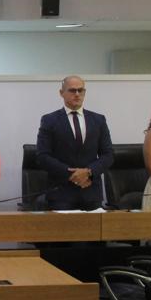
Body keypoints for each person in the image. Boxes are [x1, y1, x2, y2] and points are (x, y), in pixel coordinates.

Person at [35, 75, 114, 210]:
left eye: (80, 90)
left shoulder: (98, 120)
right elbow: (42, 156)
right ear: (61, 93)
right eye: (72, 90)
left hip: (91, 192)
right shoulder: (49, 120)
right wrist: (72, 174)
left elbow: (108, 155)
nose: (77, 94)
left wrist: (88, 172)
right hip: (61, 193)